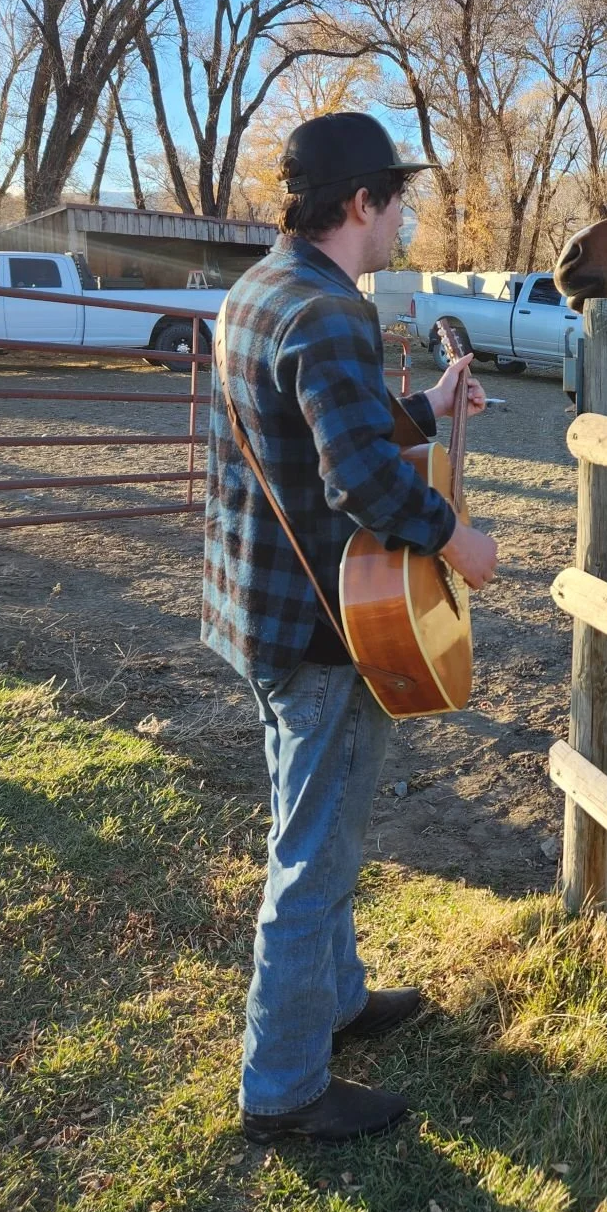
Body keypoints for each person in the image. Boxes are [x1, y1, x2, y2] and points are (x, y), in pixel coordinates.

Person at [202, 111, 498, 1143]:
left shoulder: (265, 287)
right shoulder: (332, 313)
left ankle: (335, 1003)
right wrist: (454, 535)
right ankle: (282, 1086)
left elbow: (325, 425)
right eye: (398, 198)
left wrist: (422, 404)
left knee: (310, 819)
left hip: (261, 610)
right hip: (326, 629)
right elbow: (362, 479)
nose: (405, 217)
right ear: (360, 203)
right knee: (316, 851)